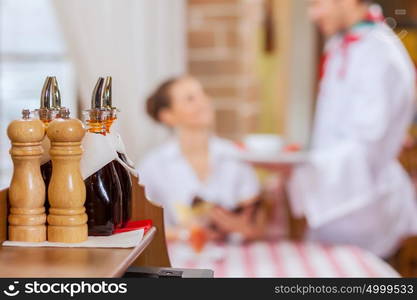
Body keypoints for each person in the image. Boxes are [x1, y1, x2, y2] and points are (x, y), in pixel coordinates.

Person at [285, 0, 417, 258]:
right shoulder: (342, 45)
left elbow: (367, 146)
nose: (312, 15)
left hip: (364, 209)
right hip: (335, 203)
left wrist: (303, 166)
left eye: (316, 4)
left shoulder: (380, 56)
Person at [137, 75, 266, 241]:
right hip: (178, 260)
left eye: (203, 94)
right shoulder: (153, 165)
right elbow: (139, 226)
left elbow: (257, 226)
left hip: (234, 257)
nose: (204, 102)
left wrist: (236, 226)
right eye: (190, 99)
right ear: (168, 116)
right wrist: (186, 234)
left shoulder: (234, 155)